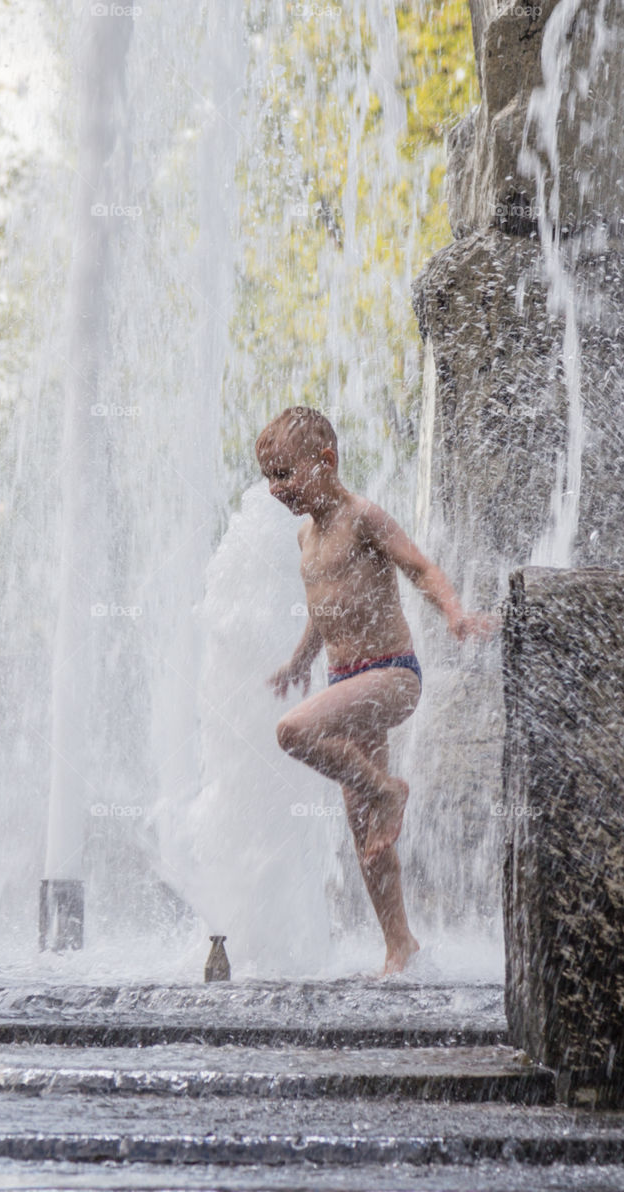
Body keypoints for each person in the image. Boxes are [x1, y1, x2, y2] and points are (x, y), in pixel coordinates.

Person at [256, 405, 498, 975]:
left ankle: (390, 792)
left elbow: (418, 566)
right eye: (268, 477)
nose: (274, 488)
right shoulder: (304, 537)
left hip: (392, 674)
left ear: (326, 461)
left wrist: (455, 613)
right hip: (346, 682)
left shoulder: (363, 517)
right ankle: (399, 946)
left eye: (285, 474)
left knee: (293, 732)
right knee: (365, 832)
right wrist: (298, 662)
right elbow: (324, 610)